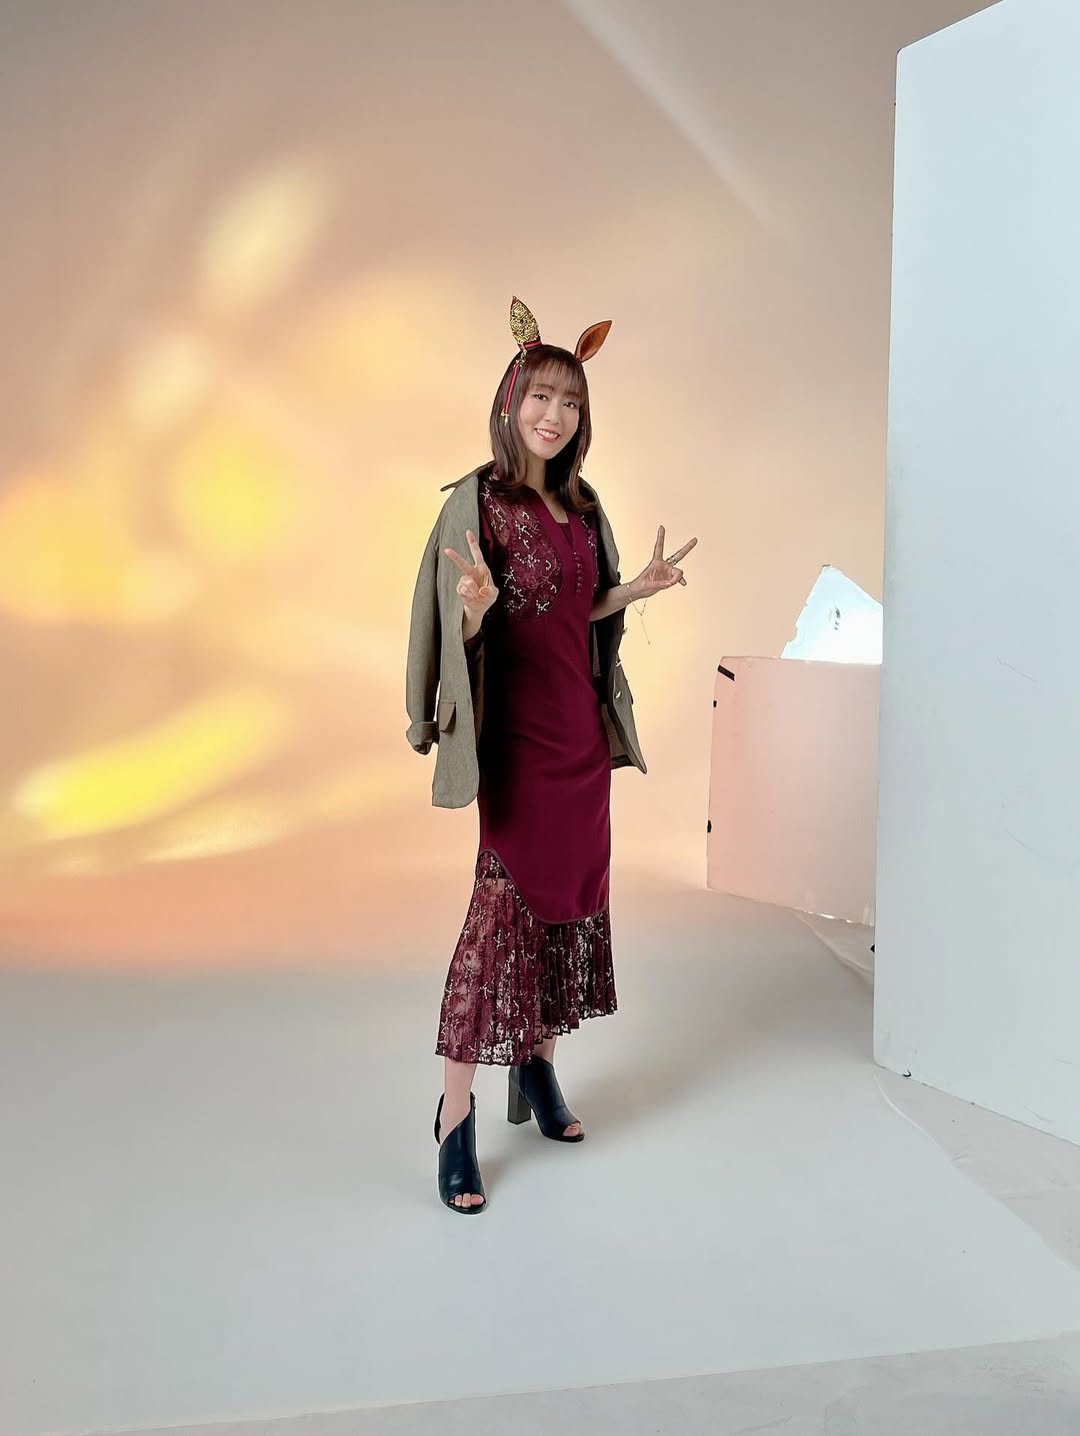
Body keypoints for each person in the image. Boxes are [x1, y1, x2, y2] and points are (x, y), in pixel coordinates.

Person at [424, 296, 696, 1213]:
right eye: (541, 396)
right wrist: (472, 608)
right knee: (498, 922)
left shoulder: (580, 506)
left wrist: (635, 589)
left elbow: (572, 612)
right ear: (511, 402)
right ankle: (454, 1115)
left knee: (569, 913)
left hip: (580, 741)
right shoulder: (481, 504)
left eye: (571, 402)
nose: (555, 414)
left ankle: (537, 1069)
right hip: (519, 748)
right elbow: (467, 631)